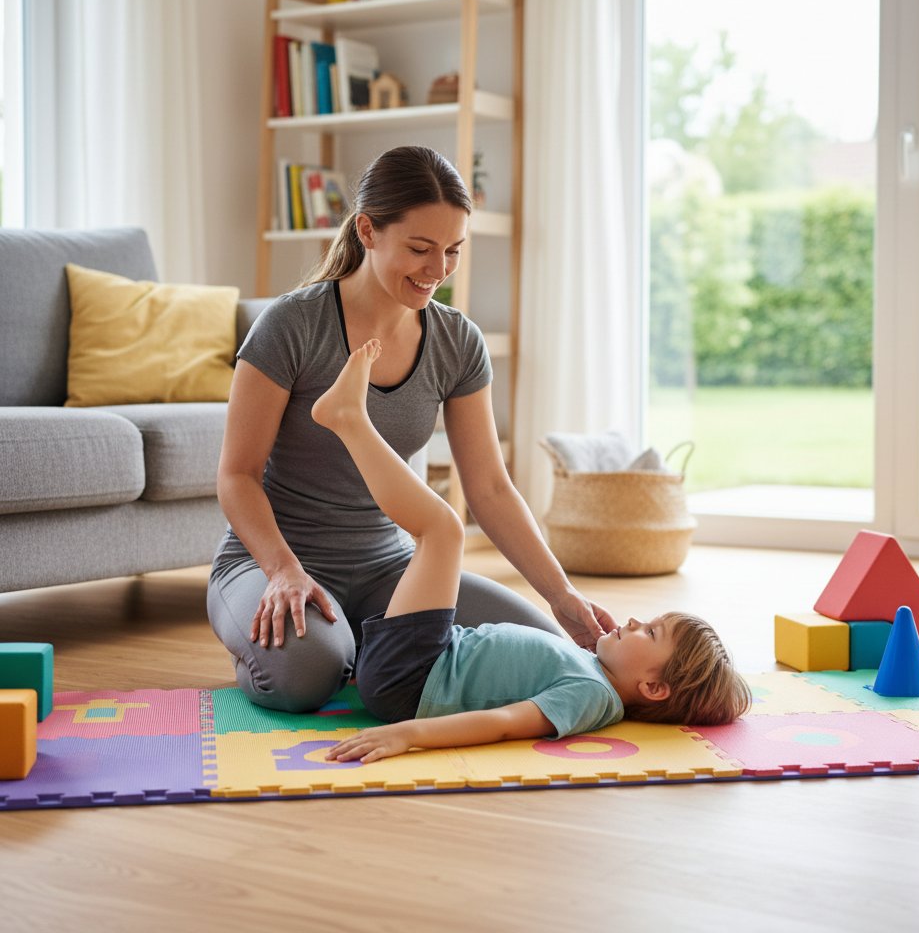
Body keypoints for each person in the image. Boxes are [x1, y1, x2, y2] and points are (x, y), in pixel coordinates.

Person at [208, 145, 617, 713]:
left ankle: (357, 645)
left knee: (547, 651)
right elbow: (236, 475)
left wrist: (561, 594)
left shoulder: (457, 342)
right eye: (420, 249)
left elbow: (490, 489)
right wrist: (282, 570)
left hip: (390, 569)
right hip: (274, 560)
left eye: (453, 251)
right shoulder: (291, 326)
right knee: (305, 676)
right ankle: (299, 644)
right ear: (368, 231)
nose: (438, 270)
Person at [309, 339, 750, 763]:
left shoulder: (591, 696)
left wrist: (408, 735)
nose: (635, 621)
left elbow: (502, 722)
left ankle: (349, 419)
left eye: (650, 633)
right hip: (427, 659)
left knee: (443, 529)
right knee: (441, 532)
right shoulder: (592, 668)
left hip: (412, 678)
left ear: (654, 688)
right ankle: (348, 417)